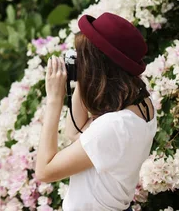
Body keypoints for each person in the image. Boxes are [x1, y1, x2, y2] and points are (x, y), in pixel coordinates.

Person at [34, 12, 157, 211]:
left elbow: (44, 171)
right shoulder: (143, 102)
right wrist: (86, 76)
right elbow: (75, 132)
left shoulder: (113, 127)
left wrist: (54, 100)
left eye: (84, 58)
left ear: (98, 66)